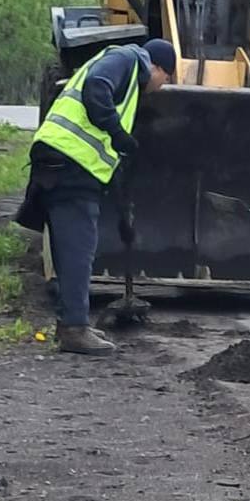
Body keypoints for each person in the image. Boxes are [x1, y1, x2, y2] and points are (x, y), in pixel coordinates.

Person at [17, 39, 176, 355]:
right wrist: (119, 134)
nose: (163, 86)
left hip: (63, 162)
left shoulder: (128, 78)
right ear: (157, 67)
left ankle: (70, 325)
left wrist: (120, 202)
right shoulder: (128, 59)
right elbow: (96, 87)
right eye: (168, 78)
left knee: (71, 245)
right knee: (79, 246)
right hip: (68, 161)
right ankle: (75, 329)